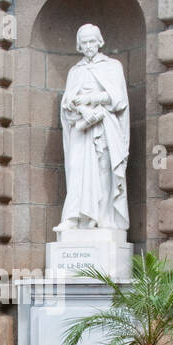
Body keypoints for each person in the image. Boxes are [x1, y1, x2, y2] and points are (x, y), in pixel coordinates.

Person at [58, 24, 130, 232]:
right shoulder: (76, 71)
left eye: (92, 41)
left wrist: (91, 99)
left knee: (104, 169)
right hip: (82, 127)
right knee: (76, 169)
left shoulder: (112, 66)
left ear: (99, 42)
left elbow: (118, 99)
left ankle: (104, 216)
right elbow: (67, 102)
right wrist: (82, 109)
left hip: (105, 124)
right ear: (79, 46)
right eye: (84, 42)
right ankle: (74, 217)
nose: (89, 46)